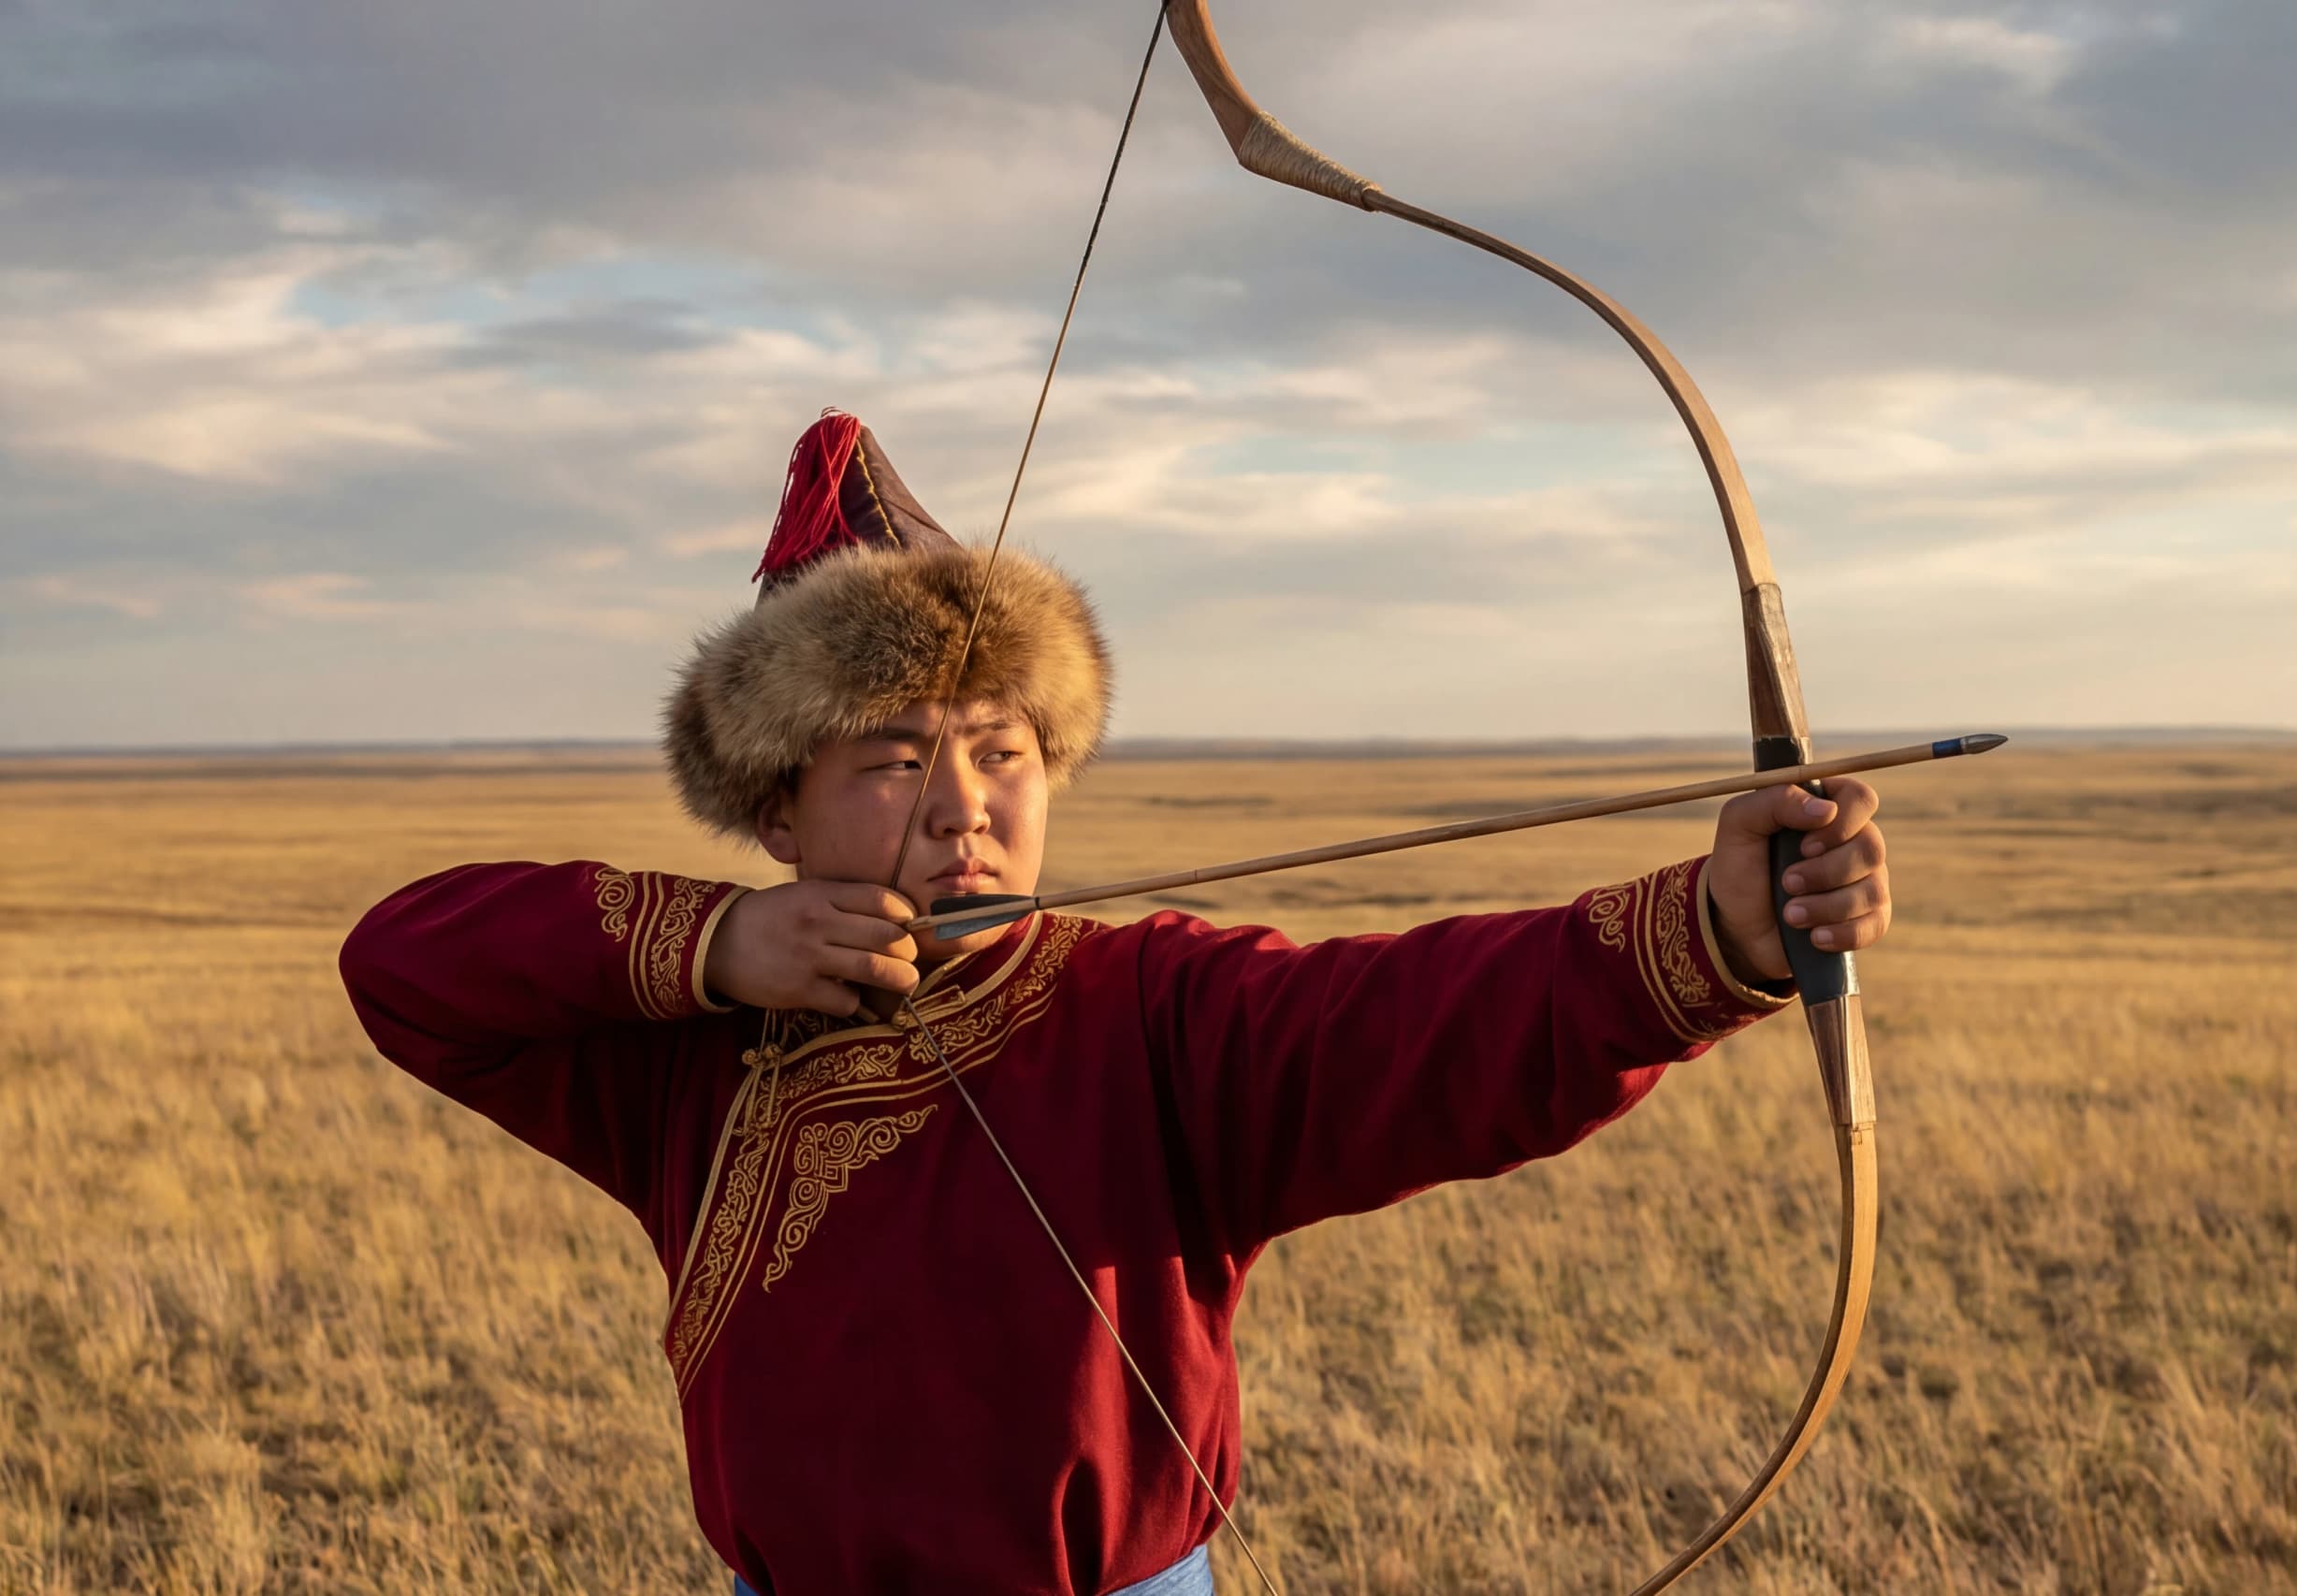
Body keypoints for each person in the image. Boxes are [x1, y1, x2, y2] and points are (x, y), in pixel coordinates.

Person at [340, 412, 1893, 1596]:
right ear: (775, 814)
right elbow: (405, 963)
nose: (964, 809)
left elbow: (1423, 1022)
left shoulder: (1152, 1009)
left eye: (1001, 749)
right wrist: (717, 946)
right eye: (892, 760)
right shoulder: (691, 1057)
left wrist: (1717, 932)